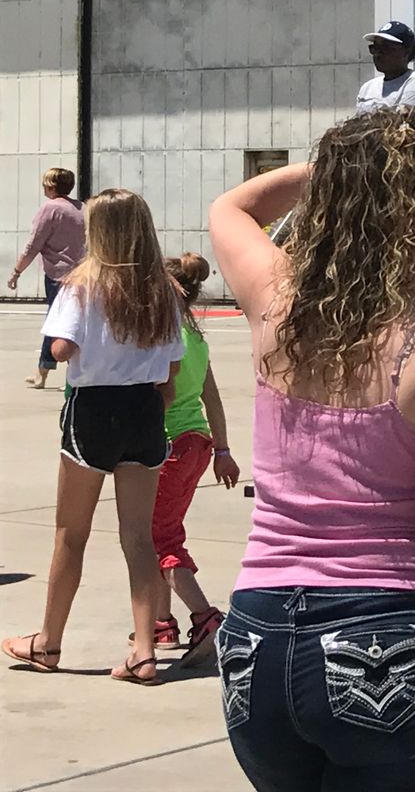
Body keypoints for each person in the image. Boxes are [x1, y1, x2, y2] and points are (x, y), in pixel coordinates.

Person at [208, 109, 415, 788]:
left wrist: (340, 170)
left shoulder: (273, 303)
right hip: (386, 635)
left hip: (256, 635)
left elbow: (234, 205)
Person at [4, 188, 184, 685]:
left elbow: (60, 348)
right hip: (145, 409)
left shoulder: (82, 284)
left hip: (94, 410)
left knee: (71, 534)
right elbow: (171, 363)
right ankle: (145, 650)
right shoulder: (161, 289)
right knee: (139, 537)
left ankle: (49, 641)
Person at [149, 252, 243, 667]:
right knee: (164, 531)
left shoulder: (161, 338)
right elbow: (212, 398)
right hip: (198, 445)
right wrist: (222, 450)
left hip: (167, 445)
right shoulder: (195, 337)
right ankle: (160, 620)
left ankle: (205, 618)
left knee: (157, 540)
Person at [10, 166, 85, 389]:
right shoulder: (81, 208)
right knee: (77, 322)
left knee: (56, 324)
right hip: (81, 274)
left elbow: (33, 245)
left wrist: (17, 272)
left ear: (51, 186)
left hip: (58, 276)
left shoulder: (50, 209)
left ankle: (43, 373)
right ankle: (56, 371)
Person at [356, 20, 415, 121]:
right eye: (375, 48)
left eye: (387, 48)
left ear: (407, 52)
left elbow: (400, 129)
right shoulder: (367, 88)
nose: (378, 54)